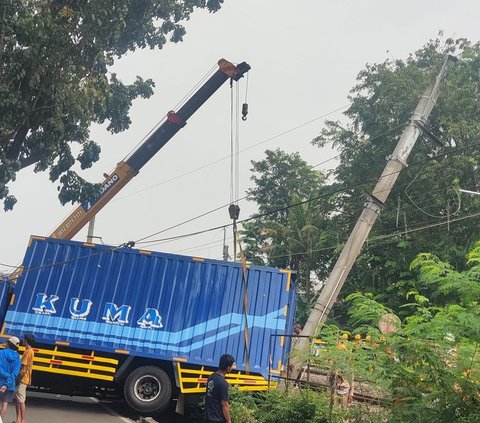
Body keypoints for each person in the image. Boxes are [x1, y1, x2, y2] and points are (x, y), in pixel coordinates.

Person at [205, 354, 235, 423]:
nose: (232, 368)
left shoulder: (211, 377)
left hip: (208, 418)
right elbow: (224, 404)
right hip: (217, 419)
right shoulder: (223, 383)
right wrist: (229, 421)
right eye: (231, 366)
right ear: (228, 368)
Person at [0, 336, 21, 421]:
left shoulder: (1, 353)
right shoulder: (18, 358)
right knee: (5, 403)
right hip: (10, 385)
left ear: (9, 344)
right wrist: (7, 383)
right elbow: (14, 374)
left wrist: (5, 377)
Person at [15, 334, 35, 423]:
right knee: (18, 399)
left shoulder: (28, 351)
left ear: (26, 340)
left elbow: (22, 365)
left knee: (21, 400)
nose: (22, 341)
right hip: (24, 378)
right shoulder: (29, 351)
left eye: (24, 339)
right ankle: (19, 420)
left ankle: (22, 420)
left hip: (22, 378)